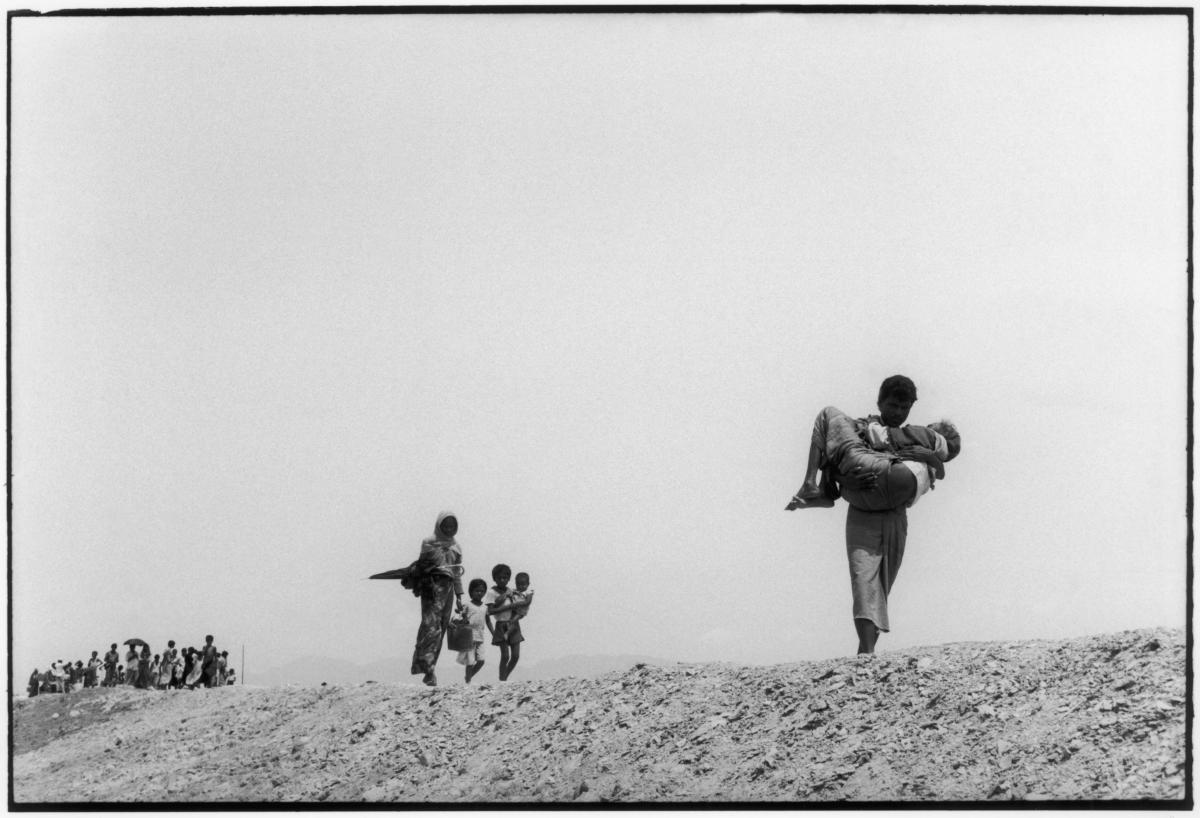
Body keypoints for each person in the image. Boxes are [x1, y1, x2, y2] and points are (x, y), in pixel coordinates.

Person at [789, 376, 961, 656]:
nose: (897, 412)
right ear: (879, 402)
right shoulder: (862, 427)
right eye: (893, 405)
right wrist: (847, 479)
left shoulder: (916, 437)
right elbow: (839, 457)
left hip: (894, 511)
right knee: (862, 578)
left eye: (904, 407)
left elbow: (935, 469)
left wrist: (927, 458)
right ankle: (866, 654)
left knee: (881, 584)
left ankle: (864, 655)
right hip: (864, 509)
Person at [786, 406, 959, 512]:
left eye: (931, 425)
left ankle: (811, 483)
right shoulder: (928, 465)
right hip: (884, 491)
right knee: (838, 446)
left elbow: (886, 437)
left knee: (828, 415)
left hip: (878, 474)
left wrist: (866, 426)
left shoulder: (930, 437)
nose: (927, 426)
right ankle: (826, 491)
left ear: (939, 431)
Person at [410, 511, 465, 687]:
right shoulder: (428, 543)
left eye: (452, 526)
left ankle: (431, 668)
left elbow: (457, 573)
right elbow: (421, 567)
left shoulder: (456, 548)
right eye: (446, 526)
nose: (449, 529)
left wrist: (459, 595)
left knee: (441, 627)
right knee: (429, 626)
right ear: (439, 525)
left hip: (448, 590)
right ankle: (426, 666)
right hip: (431, 589)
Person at [485, 563, 525, 682]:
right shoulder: (492, 592)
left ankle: (504, 677)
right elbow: (491, 611)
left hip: (513, 624)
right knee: (505, 656)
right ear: (495, 579)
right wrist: (505, 599)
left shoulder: (511, 591)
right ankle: (502, 679)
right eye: (499, 578)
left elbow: (517, 607)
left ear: (508, 579)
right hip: (501, 625)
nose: (502, 580)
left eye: (505, 578)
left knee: (516, 655)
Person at [456, 579, 490, 683]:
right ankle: (468, 682)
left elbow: (488, 621)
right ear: (471, 592)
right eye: (477, 591)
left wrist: (494, 633)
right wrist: (462, 617)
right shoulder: (467, 605)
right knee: (470, 662)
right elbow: (460, 617)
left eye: (482, 591)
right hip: (468, 637)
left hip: (480, 637)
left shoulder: (485, 607)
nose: (479, 593)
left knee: (481, 661)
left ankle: (468, 677)